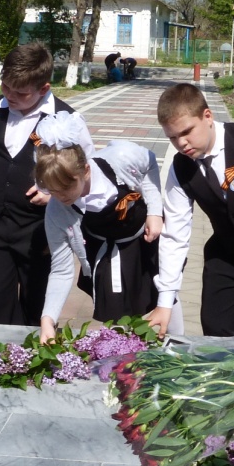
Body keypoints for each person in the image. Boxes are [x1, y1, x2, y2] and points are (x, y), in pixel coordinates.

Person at [147, 82, 234, 337]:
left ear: (207, 116)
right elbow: (175, 234)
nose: (181, 143)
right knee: (216, 326)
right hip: (226, 253)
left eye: (187, 131)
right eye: (172, 137)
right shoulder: (180, 169)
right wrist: (165, 301)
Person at [0, 43, 80, 325]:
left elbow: (84, 176)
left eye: (20, 92)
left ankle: (35, 365)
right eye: (5, 87)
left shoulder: (67, 119)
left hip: (41, 232)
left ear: (43, 88)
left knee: (38, 307)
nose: (10, 96)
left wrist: (55, 193)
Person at [33, 110, 163, 342]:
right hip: (105, 256)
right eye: (52, 190)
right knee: (117, 334)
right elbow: (62, 269)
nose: (60, 197)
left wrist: (155, 211)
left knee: (162, 315)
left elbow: (150, 163)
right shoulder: (57, 210)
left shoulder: (121, 158)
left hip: (145, 245)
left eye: (65, 188)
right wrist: (47, 319)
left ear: (85, 171)